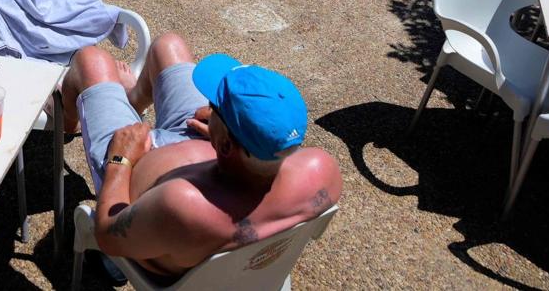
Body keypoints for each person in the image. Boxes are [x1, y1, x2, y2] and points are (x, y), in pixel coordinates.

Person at [61, 32, 341, 279]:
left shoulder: (183, 205)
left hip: (135, 162)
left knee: (91, 60)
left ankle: (69, 119)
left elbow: (108, 235)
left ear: (228, 145)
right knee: (168, 45)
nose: (207, 104)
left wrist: (120, 159)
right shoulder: (322, 170)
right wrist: (227, 134)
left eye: (214, 104)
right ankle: (130, 99)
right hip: (218, 147)